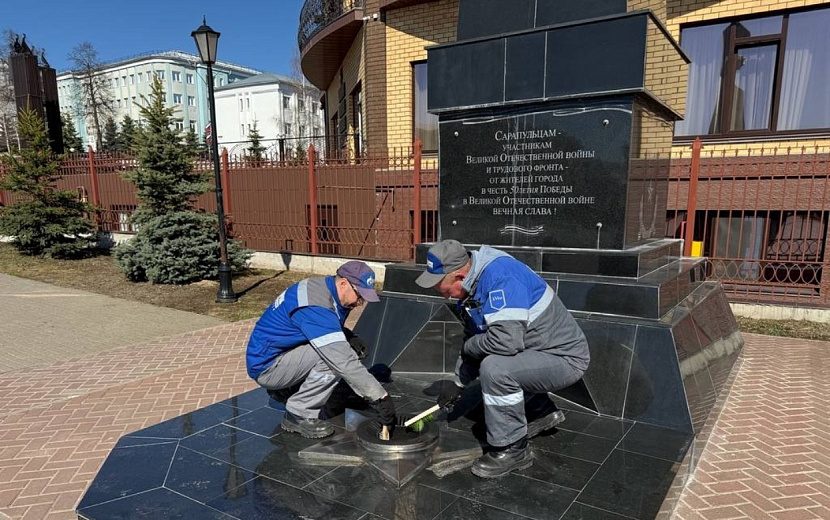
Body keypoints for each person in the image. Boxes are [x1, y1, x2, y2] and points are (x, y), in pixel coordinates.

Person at [416, 240, 590, 478]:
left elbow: (504, 342)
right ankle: (540, 410)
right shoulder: (472, 285)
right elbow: (475, 337)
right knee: (492, 383)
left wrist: (470, 347)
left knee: (495, 369)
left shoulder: (502, 278)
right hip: (535, 353)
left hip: (563, 358)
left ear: (458, 276)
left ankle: (513, 449)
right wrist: (458, 382)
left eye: (440, 286)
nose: (441, 293)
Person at [246, 260, 396, 439]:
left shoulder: (326, 290)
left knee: (340, 348)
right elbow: (342, 359)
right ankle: (298, 413)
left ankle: (287, 389)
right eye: (359, 296)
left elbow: (314, 325)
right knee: (334, 358)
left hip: (280, 355)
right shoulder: (315, 304)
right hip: (269, 367)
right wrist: (380, 397)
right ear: (343, 283)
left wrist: (347, 335)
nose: (360, 303)